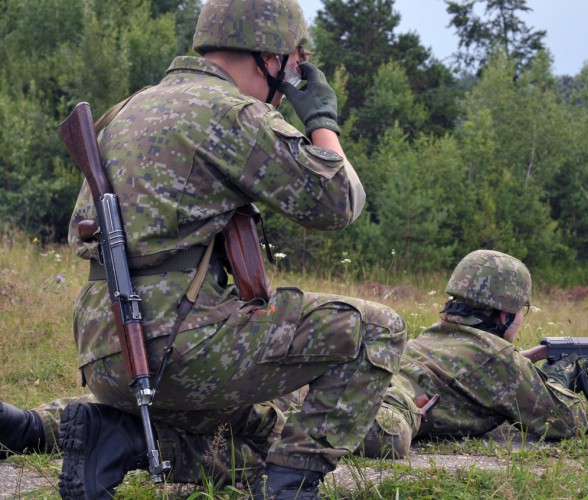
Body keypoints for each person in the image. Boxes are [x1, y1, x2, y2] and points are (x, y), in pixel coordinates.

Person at [58, 0, 407, 498]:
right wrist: (321, 119)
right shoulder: (230, 112)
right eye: (293, 64)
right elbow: (339, 203)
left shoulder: (131, 107)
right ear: (269, 57)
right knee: (377, 329)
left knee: (262, 433)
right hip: (173, 349)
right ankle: (290, 491)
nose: (291, 82)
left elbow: (82, 232)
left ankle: (116, 438)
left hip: (106, 350)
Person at [356, 250, 588, 459]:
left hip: (363, 384)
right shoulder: (498, 357)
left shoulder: (436, 334)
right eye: (522, 309)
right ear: (504, 316)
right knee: (387, 438)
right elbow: (567, 422)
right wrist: (557, 380)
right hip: (389, 408)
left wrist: (560, 378)